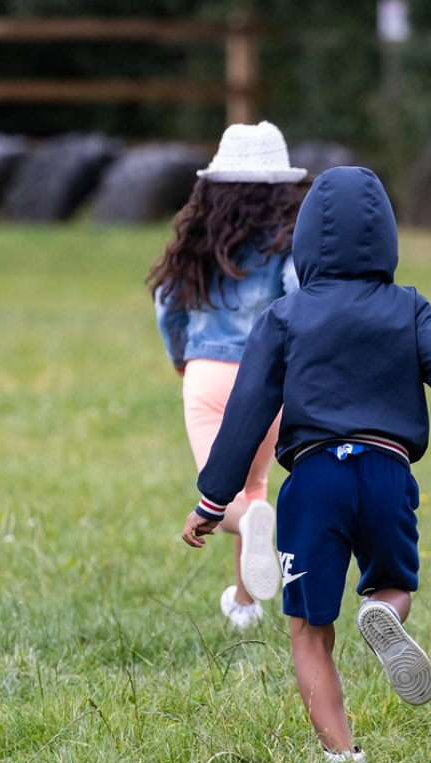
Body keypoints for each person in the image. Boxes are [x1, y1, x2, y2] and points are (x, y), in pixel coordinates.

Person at [179, 166, 431, 763]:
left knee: (309, 632)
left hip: (315, 480)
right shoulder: (407, 308)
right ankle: (381, 612)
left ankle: (343, 756)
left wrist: (213, 500)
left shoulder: (285, 315)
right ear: (386, 237)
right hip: (386, 473)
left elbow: (246, 412)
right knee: (394, 582)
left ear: (305, 241)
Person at [149, 121, 311, 629]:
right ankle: (244, 604)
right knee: (254, 487)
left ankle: (249, 580)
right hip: (268, 383)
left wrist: (181, 356)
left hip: (208, 376)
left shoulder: (199, 237)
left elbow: (167, 303)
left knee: (225, 498)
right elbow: (299, 293)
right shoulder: (289, 240)